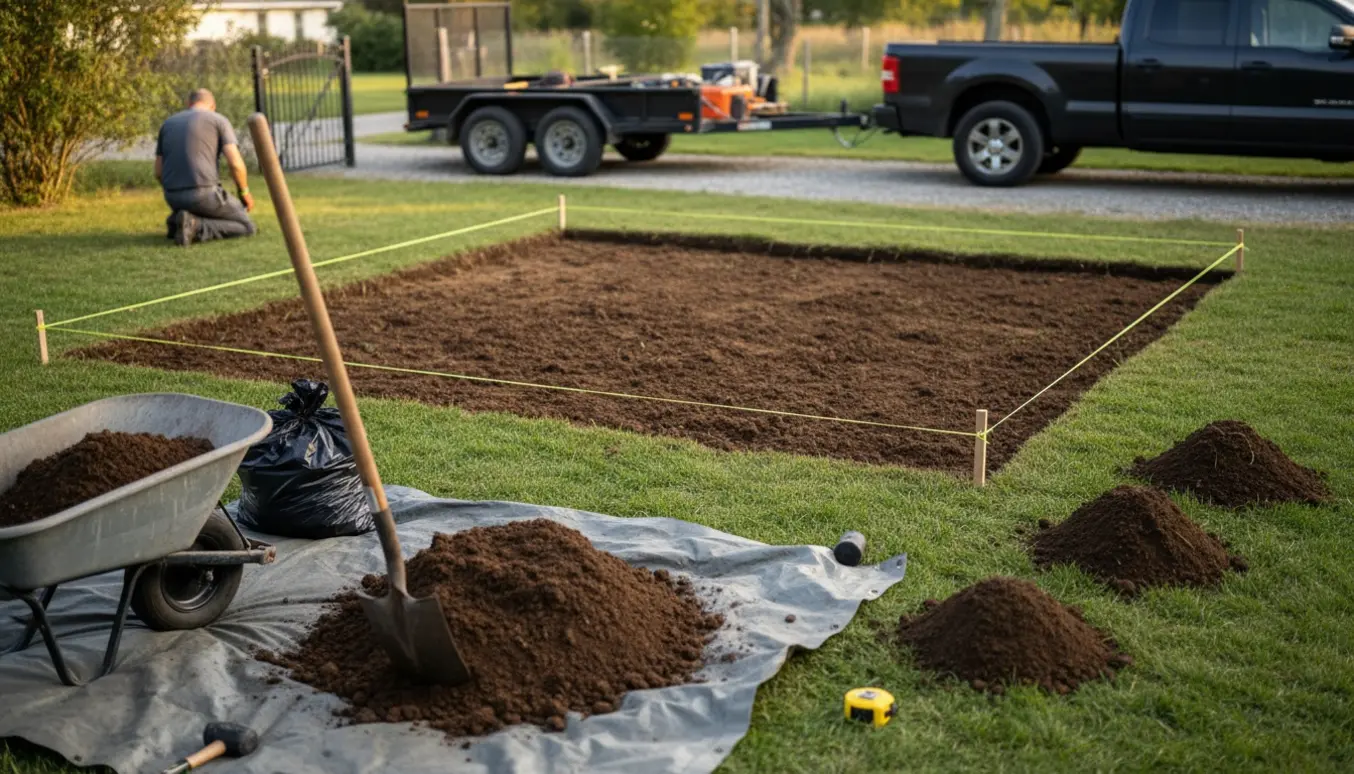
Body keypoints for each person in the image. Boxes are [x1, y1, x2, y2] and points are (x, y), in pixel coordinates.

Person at [155, 89, 257, 247]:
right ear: (213, 106)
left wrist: (177, 192)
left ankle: (177, 221)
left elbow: (159, 172)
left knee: (205, 208)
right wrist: (244, 192)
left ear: (189, 104)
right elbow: (235, 163)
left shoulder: (168, 123)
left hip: (172, 196)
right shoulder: (218, 120)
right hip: (203, 194)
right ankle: (197, 227)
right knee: (246, 226)